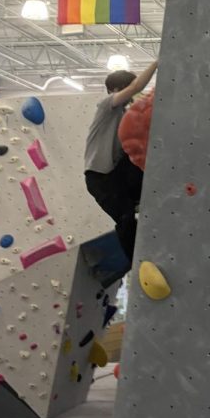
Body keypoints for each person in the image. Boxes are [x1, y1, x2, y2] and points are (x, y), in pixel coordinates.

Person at [84, 61, 157, 265]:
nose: (132, 95)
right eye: (126, 90)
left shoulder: (126, 115)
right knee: (125, 219)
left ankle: (140, 199)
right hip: (100, 177)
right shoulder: (106, 106)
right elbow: (136, 88)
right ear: (115, 90)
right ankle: (138, 263)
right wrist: (158, 63)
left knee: (140, 158)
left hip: (116, 173)